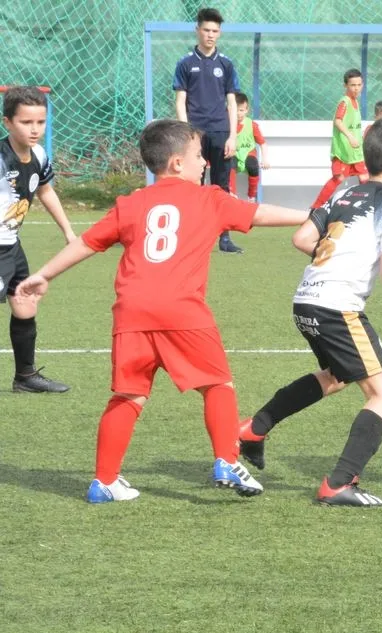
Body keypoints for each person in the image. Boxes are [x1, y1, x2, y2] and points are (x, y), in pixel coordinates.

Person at [14, 119, 311, 503]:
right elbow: (259, 213)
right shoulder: (209, 199)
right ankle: (226, 460)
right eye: (198, 155)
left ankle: (104, 481)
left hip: (131, 312)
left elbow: (86, 243)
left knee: (129, 395)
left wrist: (43, 274)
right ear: (176, 163)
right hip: (181, 310)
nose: (204, 162)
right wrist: (313, 216)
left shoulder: (131, 203)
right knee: (217, 385)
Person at [238, 117, 382, 507]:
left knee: (337, 376)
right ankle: (339, 483)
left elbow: (302, 238)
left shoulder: (343, 193)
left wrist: (336, 256)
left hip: (306, 299)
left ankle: (254, 429)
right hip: (337, 306)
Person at [0, 86, 75, 393]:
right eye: (26, 122)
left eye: (40, 122)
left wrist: (68, 231)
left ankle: (26, 377)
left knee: (25, 302)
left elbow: (45, 190)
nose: (34, 129)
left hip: (12, 245)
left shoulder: (39, 155)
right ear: (7, 122)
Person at [173, 7, 244, 254]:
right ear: (197, 30)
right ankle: (191, 237)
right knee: (193, 186)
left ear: (219, 33)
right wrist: (187, 133)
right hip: (195, 134)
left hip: (221, 132)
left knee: (221, 187)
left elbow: (232, 102)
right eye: (206, 30)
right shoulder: (185, 63)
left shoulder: (226, 64)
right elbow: (180, 101)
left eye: (215, 31)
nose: (210, 35)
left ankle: (224, 238)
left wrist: (233, 136)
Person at [310, 69, 369, 209]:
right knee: (339, 178)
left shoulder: (355, 102)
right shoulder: (344, 102)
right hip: (343, 151)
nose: (356, 88)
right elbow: (338, 121)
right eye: (353, 85)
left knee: (365, 177)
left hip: (355, 152)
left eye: (359, 85)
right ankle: (316, 207)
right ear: (345, 85)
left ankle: (365, 207)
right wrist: (350, 137)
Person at [228, 92, 270, 201]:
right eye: (236, 110)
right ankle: (232, 195)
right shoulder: (227, 124)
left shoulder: (252, 125)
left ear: (247, 110)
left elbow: (263, 143)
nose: (238, 113)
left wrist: (265, 159)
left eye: (241, 110)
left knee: (253, 165)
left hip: (248, 153)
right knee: (229, 164)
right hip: (234, 153)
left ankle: (251, 196)